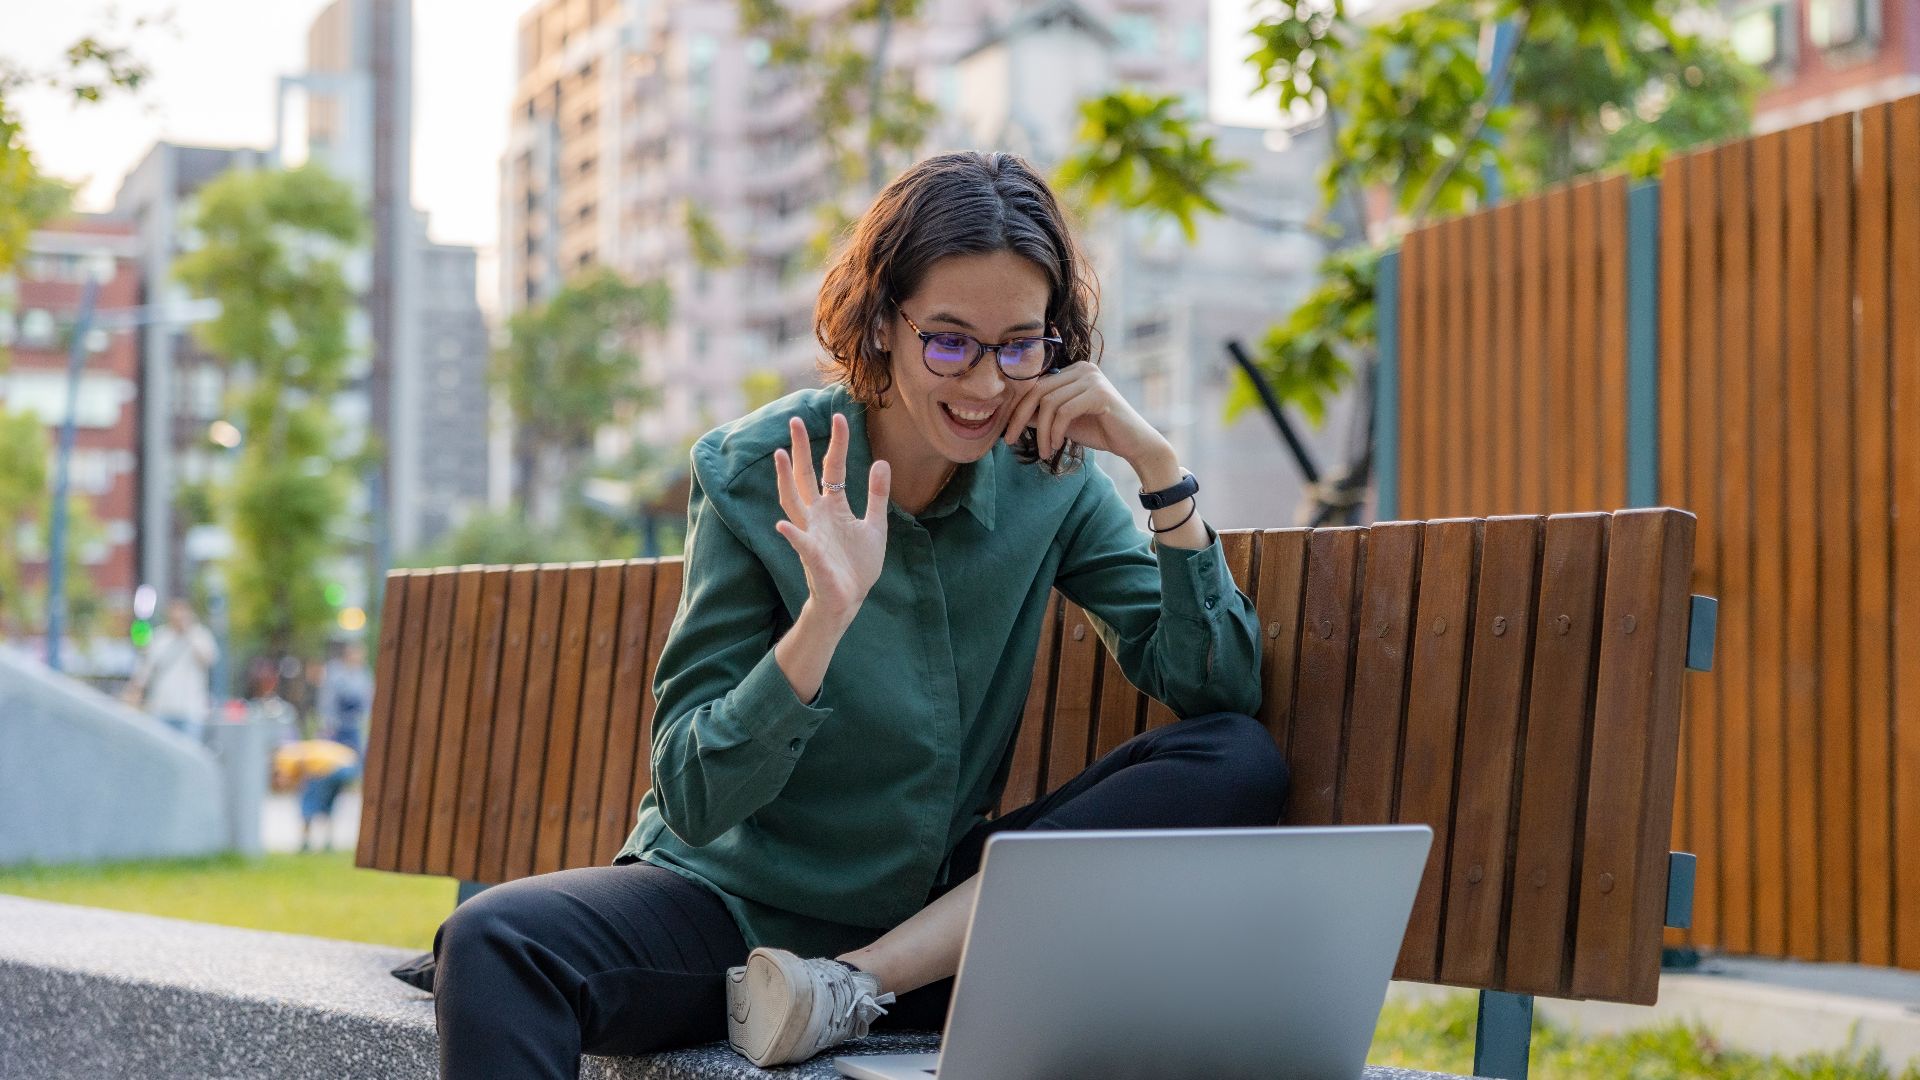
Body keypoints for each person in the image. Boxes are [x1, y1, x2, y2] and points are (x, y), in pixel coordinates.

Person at [427, 151, 1286, 1078]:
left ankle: (846, 984)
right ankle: (823, 982)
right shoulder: (753, 472)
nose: (988, 385)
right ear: (882, 321)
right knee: (493, 944)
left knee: (1238, 759)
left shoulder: (1055, 483)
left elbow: (1219, 689)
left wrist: (1157, 467)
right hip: (732, 913)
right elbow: (693, 793)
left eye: (1020, 344)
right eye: (949, 341)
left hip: (930, 933)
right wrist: (823, 620)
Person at [123, 597, 219, 744]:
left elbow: (208, 659)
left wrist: (188, 632)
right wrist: (134, 693)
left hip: (190, 710)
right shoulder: (160, 637)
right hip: (162, 708)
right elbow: (145, 670)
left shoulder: (199, 635)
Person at [271, 737, 361, 852]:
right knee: (328, 806)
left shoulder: (282, 756)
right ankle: (328, 843)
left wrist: (299, 784)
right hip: (349, 765)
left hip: (326, 768)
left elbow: (298, 766)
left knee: (307, 805)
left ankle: (305, 844)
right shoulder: (296, 747)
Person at [315, 640, 373, 755]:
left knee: (355, 755)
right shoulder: (334, 671)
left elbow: (367, 697)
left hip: (354, 723)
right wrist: (326, 721)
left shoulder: (363, 673)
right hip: (335, 724)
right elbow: (327, 698)